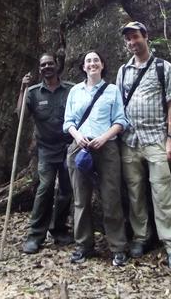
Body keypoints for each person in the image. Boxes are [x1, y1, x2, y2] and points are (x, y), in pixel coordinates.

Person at [116, 21, 171, 272]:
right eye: (128, 39)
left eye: (135, 37)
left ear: (146, 37)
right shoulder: (123, 70)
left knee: (162, 193)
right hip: (129, 141)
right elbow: (119, 105)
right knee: (135, 192)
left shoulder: (162, 67)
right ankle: (141, 237)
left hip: (156, 139)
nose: (132, 42)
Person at [63, 50, 129, 266]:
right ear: (83, 67)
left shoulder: (112, 91)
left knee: (111, 197)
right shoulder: (75, 91)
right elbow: (68, 121)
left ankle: (118, 247)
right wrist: (78, 135)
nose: (92, 64)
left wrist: (104, 137)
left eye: (96, 61)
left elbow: (121, 121)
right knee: (81, 199)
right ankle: (84, 245)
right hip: (79, 148)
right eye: (88, 61)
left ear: (102, 65)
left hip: (106, 147)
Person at [18, 53, 73, 254]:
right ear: (39, 69)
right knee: (45, 188)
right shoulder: (33, 92)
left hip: (68, 148)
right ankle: (35, 235)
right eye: (43, 65)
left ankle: (59, 230)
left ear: (56, 65)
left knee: (67, 190)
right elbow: (21, 116)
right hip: (46, 150)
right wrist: (22, 89)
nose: (47, 67)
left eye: (50, 63)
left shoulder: (71, 89)